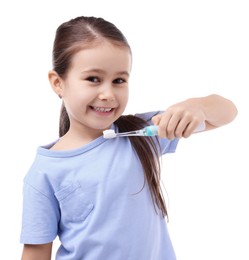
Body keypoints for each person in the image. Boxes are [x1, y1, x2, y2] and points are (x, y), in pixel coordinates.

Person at [20, 16, 237, 260]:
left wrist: (198, 107)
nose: (108, 94)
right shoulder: (44, 172)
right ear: (58, 83)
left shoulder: (146, 133)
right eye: (93, 79)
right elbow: (36, 252)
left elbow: (228, 112)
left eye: (119, 80)